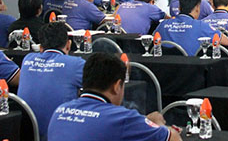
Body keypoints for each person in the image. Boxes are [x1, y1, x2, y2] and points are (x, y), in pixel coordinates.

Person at [47, 53, 181, 141]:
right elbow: (174, 138)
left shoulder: (60, 111)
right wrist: (157, 123)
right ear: (117, 86)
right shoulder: (122, 119)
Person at [18, 22, 85, 139]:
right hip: (62, 133)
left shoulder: (27, 59)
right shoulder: (76, 64)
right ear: (68, 44)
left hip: (27, 133)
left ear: (40, 47)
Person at [157, 0, 228, 56]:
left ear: (179, 8)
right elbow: (226, 42)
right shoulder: (201, 26)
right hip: (190, 68)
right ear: (197, 8)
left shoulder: (162, 25)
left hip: (163, 68)